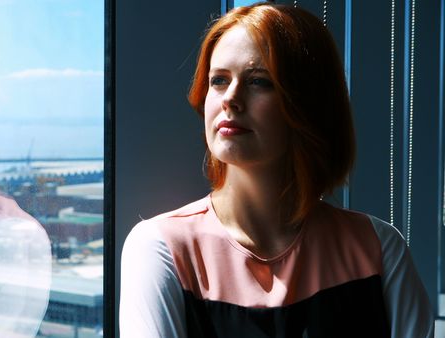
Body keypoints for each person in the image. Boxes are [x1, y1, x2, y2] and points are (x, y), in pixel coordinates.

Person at [119, 3, 434, 337]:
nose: (231, 98)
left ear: (308, 103)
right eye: (219, 80)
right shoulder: (162, 250)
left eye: (258, 81)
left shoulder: (379, 250)